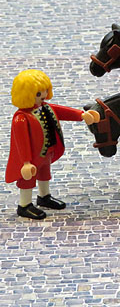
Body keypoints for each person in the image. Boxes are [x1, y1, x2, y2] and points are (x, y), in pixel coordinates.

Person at [5, 70, 100, 219]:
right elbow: (21, 142)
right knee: (27, 180)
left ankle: (44, 197)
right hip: (31, 158)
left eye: (45, 90)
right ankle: (24, 205)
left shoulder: (45, 107)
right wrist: (26, 162)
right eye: (39, 93)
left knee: (44, 174)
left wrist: (81, 115)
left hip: (46, 152)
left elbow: (62, 112)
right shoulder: (21, 118)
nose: (43, 95)